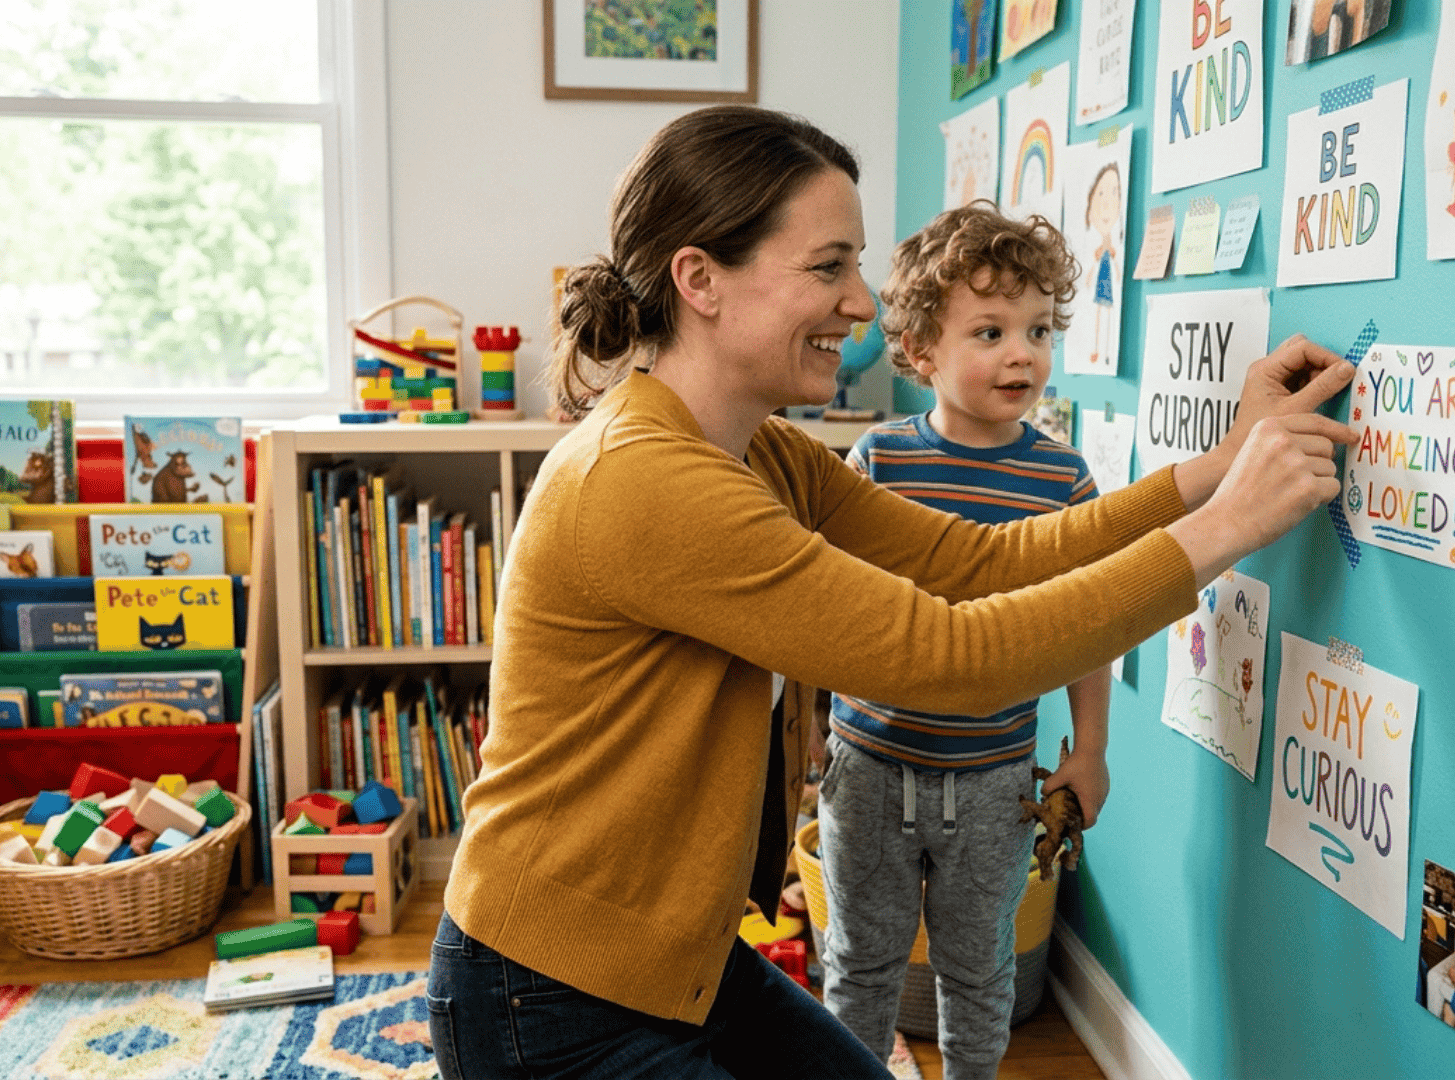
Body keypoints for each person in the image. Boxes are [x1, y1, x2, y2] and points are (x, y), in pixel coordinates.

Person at [425, 105, 1355, 1080]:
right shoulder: (647, 478)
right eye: (829, 267)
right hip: (547, 994)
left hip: (668, 965)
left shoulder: (760, 452)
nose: (864, 301)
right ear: (699, 280)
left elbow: (978, 562)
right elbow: (951, 656)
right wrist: (1231, 526)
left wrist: (1218, 470)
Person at [816, 202, 1108, 1078]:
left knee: (978, 971)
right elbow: (826, 603)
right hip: (869, 765)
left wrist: (1089, 749)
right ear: (918, 352)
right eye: (989, 330)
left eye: (1037, 330)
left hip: (992, 779)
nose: (1022, 353)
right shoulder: (878, 462)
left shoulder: (1066, 479)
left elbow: (1094, 624)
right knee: (859, 970)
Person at [1084, 164, 1121, 369]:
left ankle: (1106, 350)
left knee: (1107, 312)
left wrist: (1117, 274)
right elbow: (1093, 265)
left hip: (1107, 283)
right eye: (1101, 194)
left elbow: (1115, 264)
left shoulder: (1111, 249)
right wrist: (1089, 277)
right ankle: (1097, 348)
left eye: (1114, 193)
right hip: (1100, 283)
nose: (1107, 203)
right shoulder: (1099, 249)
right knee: (1100, 312)